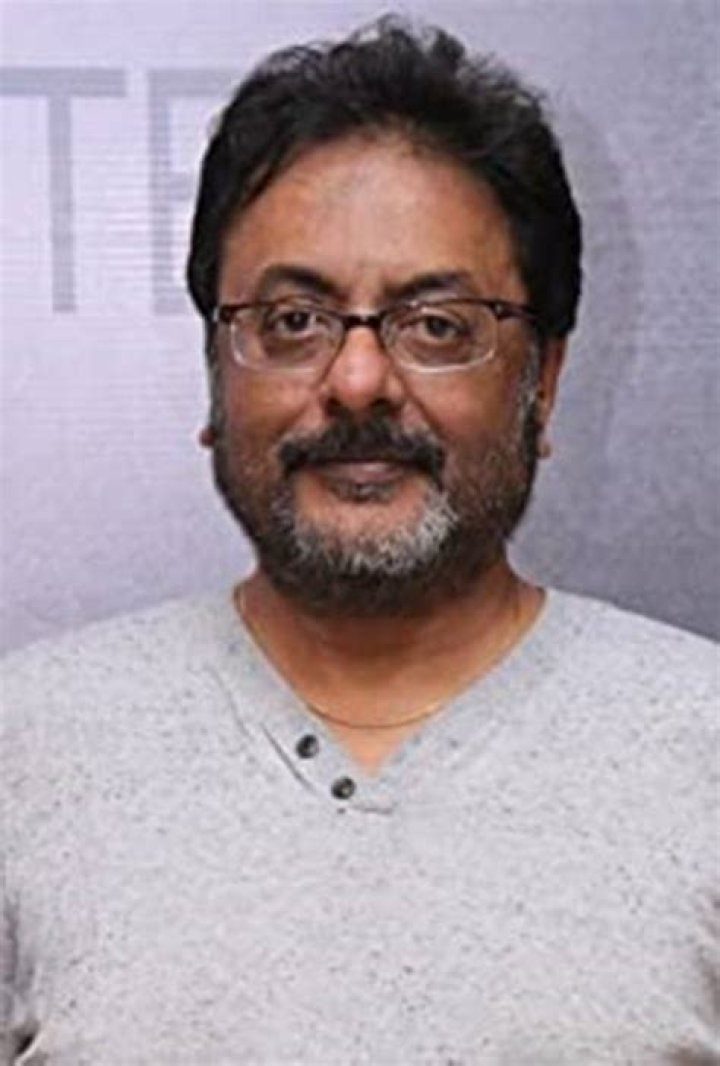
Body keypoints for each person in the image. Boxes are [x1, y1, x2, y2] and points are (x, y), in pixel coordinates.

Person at [1, 17, 717, 1065]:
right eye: (293, 321)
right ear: (215, 372)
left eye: (438, 324)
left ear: (543, 382)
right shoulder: (25, 747)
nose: (358, 381)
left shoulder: (702, 749)